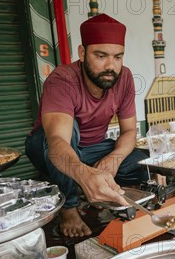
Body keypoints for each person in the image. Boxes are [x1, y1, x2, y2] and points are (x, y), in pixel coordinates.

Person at [25, 14, 149, 238]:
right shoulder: (62, 80)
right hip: (46, 145)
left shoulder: (125, 78)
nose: (111, 66)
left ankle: (103, 190)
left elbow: (130, 131)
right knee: (68, 132)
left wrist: (114, 158)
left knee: (140, 161)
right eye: (100, 56)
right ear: (82, 53)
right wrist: (83, 174)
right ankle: (68, 208)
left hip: (92, 148)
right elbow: (57, 141)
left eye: (118, 57)